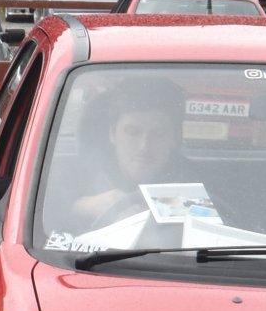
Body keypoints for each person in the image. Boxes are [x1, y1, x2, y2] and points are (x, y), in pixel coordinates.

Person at [49, 78, 187, 248]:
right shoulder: (65, 179)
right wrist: (79, 207)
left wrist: (150, 210)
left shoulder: (201, 183)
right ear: (113, 132)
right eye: (132, 132)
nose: (144, 146)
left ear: (176, 138)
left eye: (158, 134)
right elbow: (33, 226)